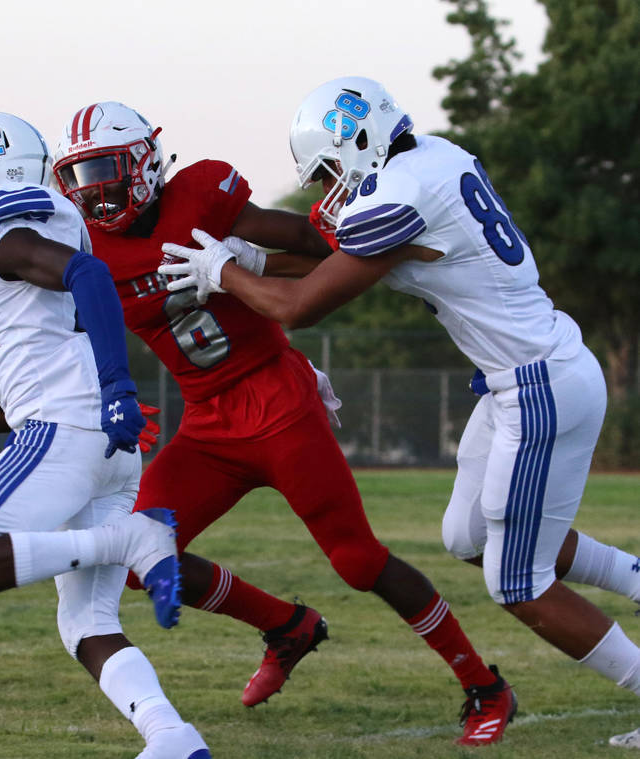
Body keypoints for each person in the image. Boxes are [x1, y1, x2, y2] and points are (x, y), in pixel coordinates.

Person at [159, 75, 640, 749]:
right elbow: (332, 255)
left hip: (540, 386)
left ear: (360, 142)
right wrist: (245, 257)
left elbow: (302, 303)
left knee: (518, 582)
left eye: (329, 169)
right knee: (468, 538)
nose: (328, 187)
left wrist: (224, 271)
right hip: (519, 380)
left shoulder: (402, 193)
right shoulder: (433, 158)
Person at [53, 100, 515, 745]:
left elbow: (323, 246)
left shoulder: (202, 196)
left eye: (103, 166)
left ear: (142, 162)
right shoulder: (84, 248)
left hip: (278, 404)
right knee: (140, 554)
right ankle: (287, 625)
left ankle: (484, 684)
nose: (91, 187)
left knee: (357, 560)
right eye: (77, 174)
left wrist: (248, 267)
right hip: (208, 423)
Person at [0, 110, 210, 759]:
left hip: (65, 426)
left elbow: (89, 278)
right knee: (87, 621)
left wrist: (121, 384)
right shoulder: (41, 221)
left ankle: (130, 537)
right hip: (93, 434)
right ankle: (172, 737)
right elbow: (36, 364)